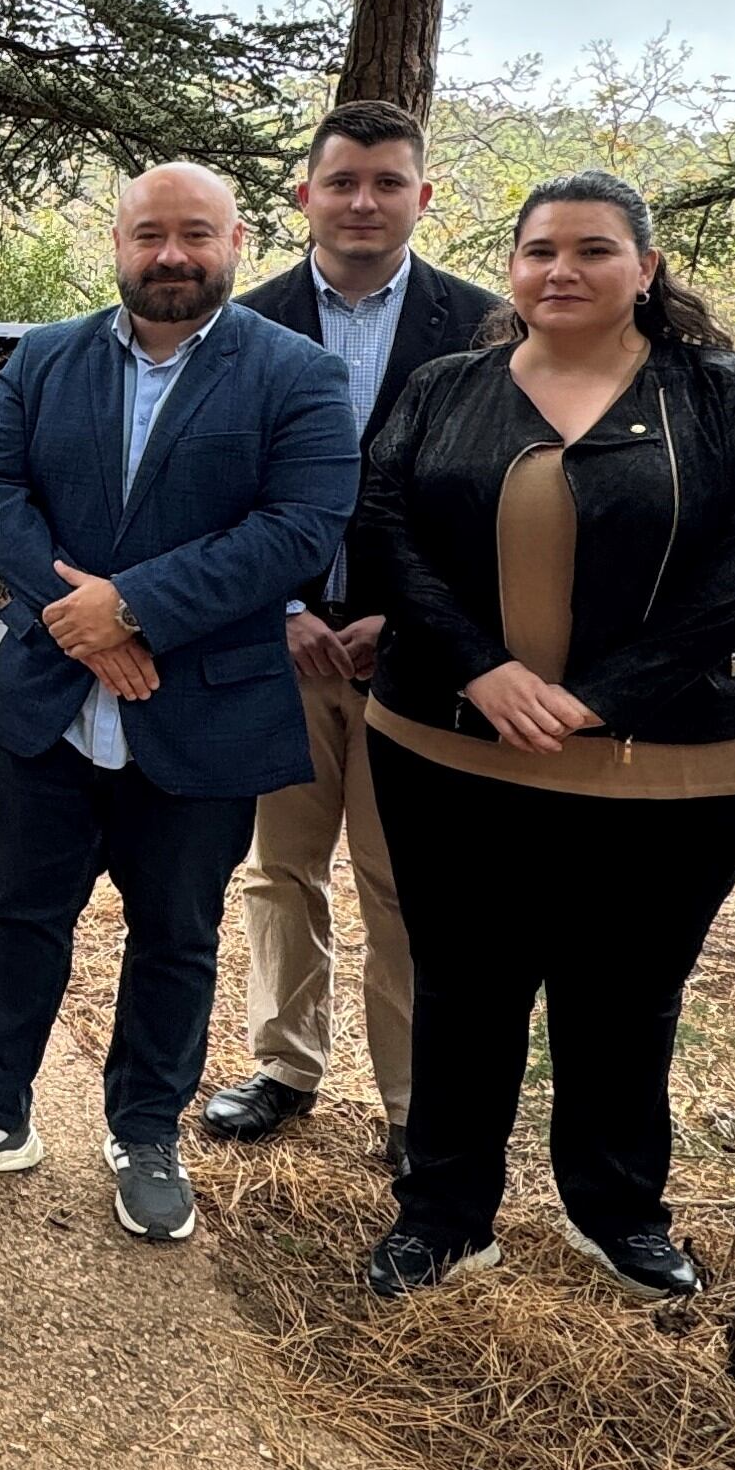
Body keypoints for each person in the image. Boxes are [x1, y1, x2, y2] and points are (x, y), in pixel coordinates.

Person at [350, 169, 735, 1303]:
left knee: (624, 996)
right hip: (452, 748)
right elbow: (385, 527)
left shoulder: (725, 394)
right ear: (510, 268)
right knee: (462, 990)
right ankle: (445, 1219)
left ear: (644, 269)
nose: (561, 270)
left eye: (593, 250)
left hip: (676, 766)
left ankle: (617, 1213)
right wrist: (481, 670)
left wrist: (607, 694)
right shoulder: (445, 388)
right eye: (539, 250)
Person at [0, 162, 355, 1246]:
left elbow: (301, 526)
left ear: (236, 240)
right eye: (149, 235)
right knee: (21, 917)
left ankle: (145, 1131)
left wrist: (132, 610)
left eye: (195, 234)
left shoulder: (296, 375)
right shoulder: (45, 358)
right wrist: (79, 622)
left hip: (201, 714)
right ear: (116, 242)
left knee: (175, 935)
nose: (171, 255)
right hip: (53, 702)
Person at [210, 100, 502, 1165]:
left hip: (416, 661)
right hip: (276, 647)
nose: (362, 202)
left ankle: (411, 1107)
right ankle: (284, 1064)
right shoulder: (239, 324)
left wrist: (410, 615)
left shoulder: (485, 328)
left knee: (402, 884)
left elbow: (491, 508)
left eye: (386, 183)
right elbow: (216, 489)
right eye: (341, 182)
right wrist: (277, 610)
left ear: (421, 198)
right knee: (278, 869)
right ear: (304, 199)